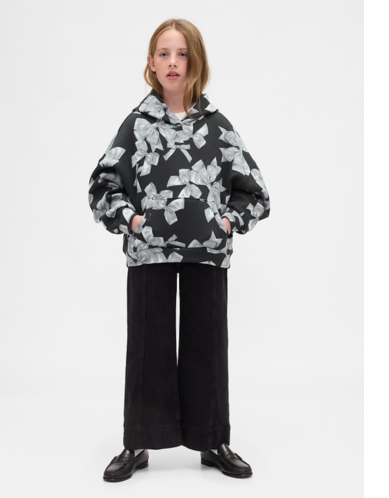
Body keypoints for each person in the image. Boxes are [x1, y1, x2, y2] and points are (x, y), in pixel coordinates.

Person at [88, 18, 270, 482]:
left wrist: (226, 223)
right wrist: (133, 221)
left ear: (196, 62)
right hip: (148, 253)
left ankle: (212, 440)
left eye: (182, 54)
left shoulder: (217, 126)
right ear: (151, 63)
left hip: (206, 253)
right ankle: (138, 441)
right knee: (146, 345)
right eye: (164, 53)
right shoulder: (136, 125)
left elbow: (255, 192)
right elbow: (102, 185)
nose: (173, 62)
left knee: (207, 345)